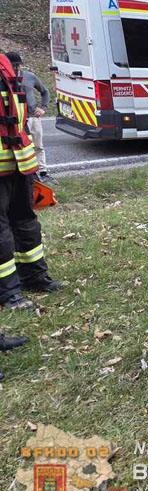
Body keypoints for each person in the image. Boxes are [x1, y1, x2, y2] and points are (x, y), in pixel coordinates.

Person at [0, 52, 66, 310]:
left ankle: (34, 276)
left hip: (20, 161)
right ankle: (9, 292)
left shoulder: (5, 63)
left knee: (26, 220)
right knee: (1, 231)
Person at [5, 53, 53, 184]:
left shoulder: (30, 77)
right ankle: (25, 176)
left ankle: (43, 172)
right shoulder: (4, 79)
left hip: (32, 118)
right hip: (15, 122)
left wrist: (43, 107)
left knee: (38, 146)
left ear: (20, 64)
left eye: (16, 65)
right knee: (20, 147)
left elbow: (45, 91)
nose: (14, 68)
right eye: (11, 65)